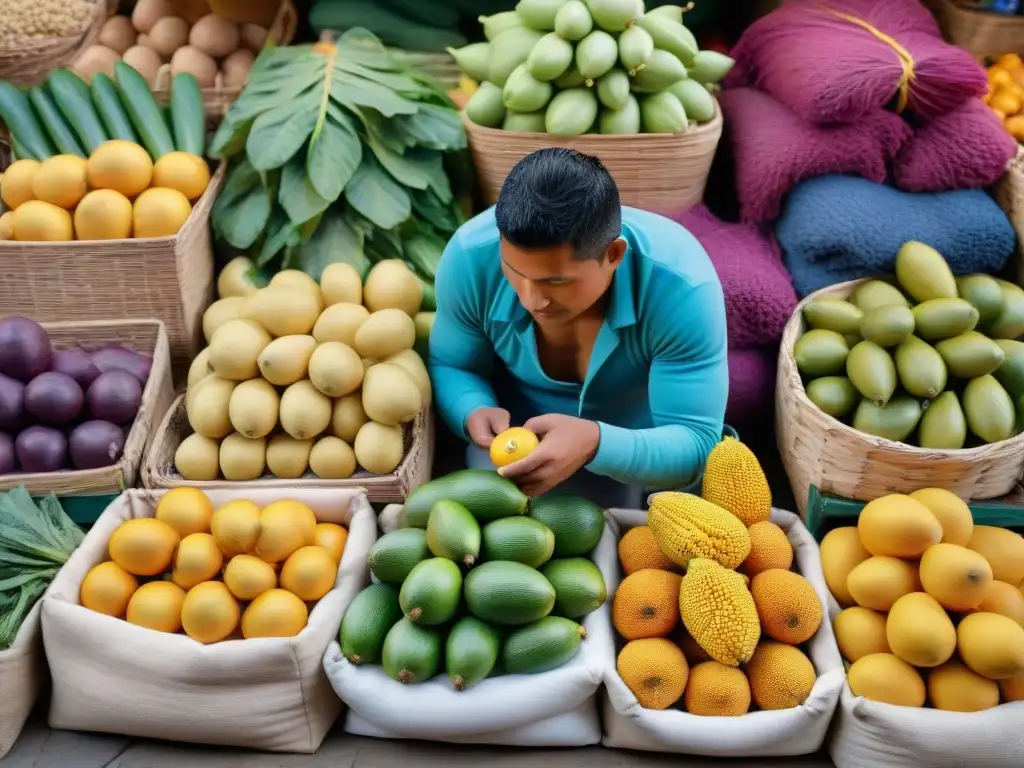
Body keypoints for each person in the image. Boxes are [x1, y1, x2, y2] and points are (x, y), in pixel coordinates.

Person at [427, 147, 728, 507]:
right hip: (510, 452)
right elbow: (452, 363)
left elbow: (696, 441)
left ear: (614, 255)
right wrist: (470, 406)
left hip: (642, 455)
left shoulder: (681, 288)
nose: (531, 299)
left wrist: (595, 443)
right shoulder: (470, 258)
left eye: (555, 282)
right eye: (515, 271)